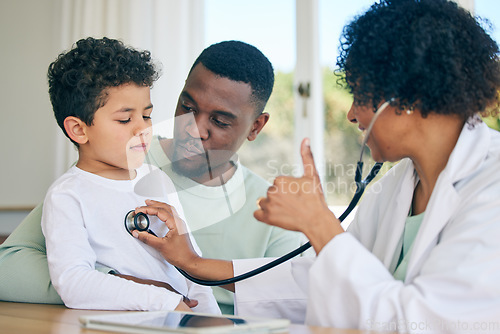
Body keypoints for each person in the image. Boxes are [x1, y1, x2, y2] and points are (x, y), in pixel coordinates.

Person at [131, 0, 500, 330]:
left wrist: (318, 223)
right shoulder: (395, 188)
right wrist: (193, 263)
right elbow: (311, 284)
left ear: (406, 97)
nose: (353, 114)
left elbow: (424, 322)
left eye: (360, 95)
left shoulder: (492, 188)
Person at [0, 40, 305, 315]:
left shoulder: (274, 208)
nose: (193, 128)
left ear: (255, 127)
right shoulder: (115, 161)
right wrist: (123, 285)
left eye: (220, 120)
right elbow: (9, 266)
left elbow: (303, 295)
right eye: (187, 106)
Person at [39, 37, 219, 313]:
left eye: (146, 116)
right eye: (125, 119)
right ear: (78, 129)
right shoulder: (68, 195)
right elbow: (73, 282)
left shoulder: (156, 180)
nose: (142, 129)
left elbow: (191, 265)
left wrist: (210, 320)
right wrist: (167, 303)